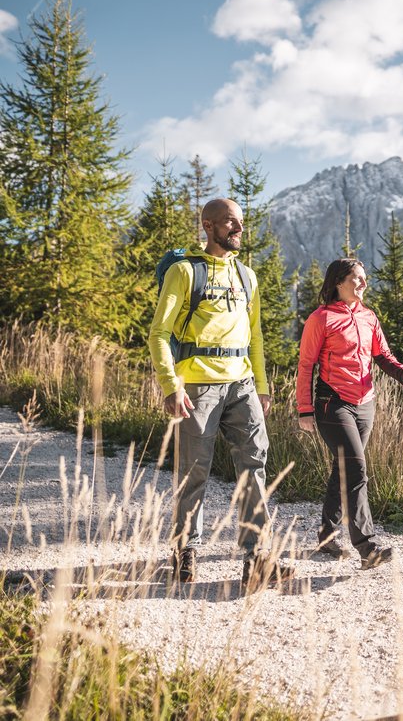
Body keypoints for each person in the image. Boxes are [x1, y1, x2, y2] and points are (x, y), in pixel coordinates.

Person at [148, 197, 295, 591]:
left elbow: (255, 336)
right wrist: (170, 384)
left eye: (241, 222)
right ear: (208, 225)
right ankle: (185, 552)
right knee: (193, 472)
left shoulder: (246, 276)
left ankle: (257, 557)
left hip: (242, 384)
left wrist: (262, 387)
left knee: (254, 464)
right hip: (197, 386)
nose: (239, 229)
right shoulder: (184, 271)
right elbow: (159, 333)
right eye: (230, 222)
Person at [296, 258, 403, 570]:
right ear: (339, 282)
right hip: (332, 404)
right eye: (357, 278)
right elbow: (306, 365)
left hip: (365, 404)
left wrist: (402, 373)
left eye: (364, 278)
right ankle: (367, 546)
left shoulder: (368, 317)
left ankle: (326, 536)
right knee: (356, 470)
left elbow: (382, 354)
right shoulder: (321, 318)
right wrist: (304, 409)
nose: (363, 283)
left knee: (344, 469)